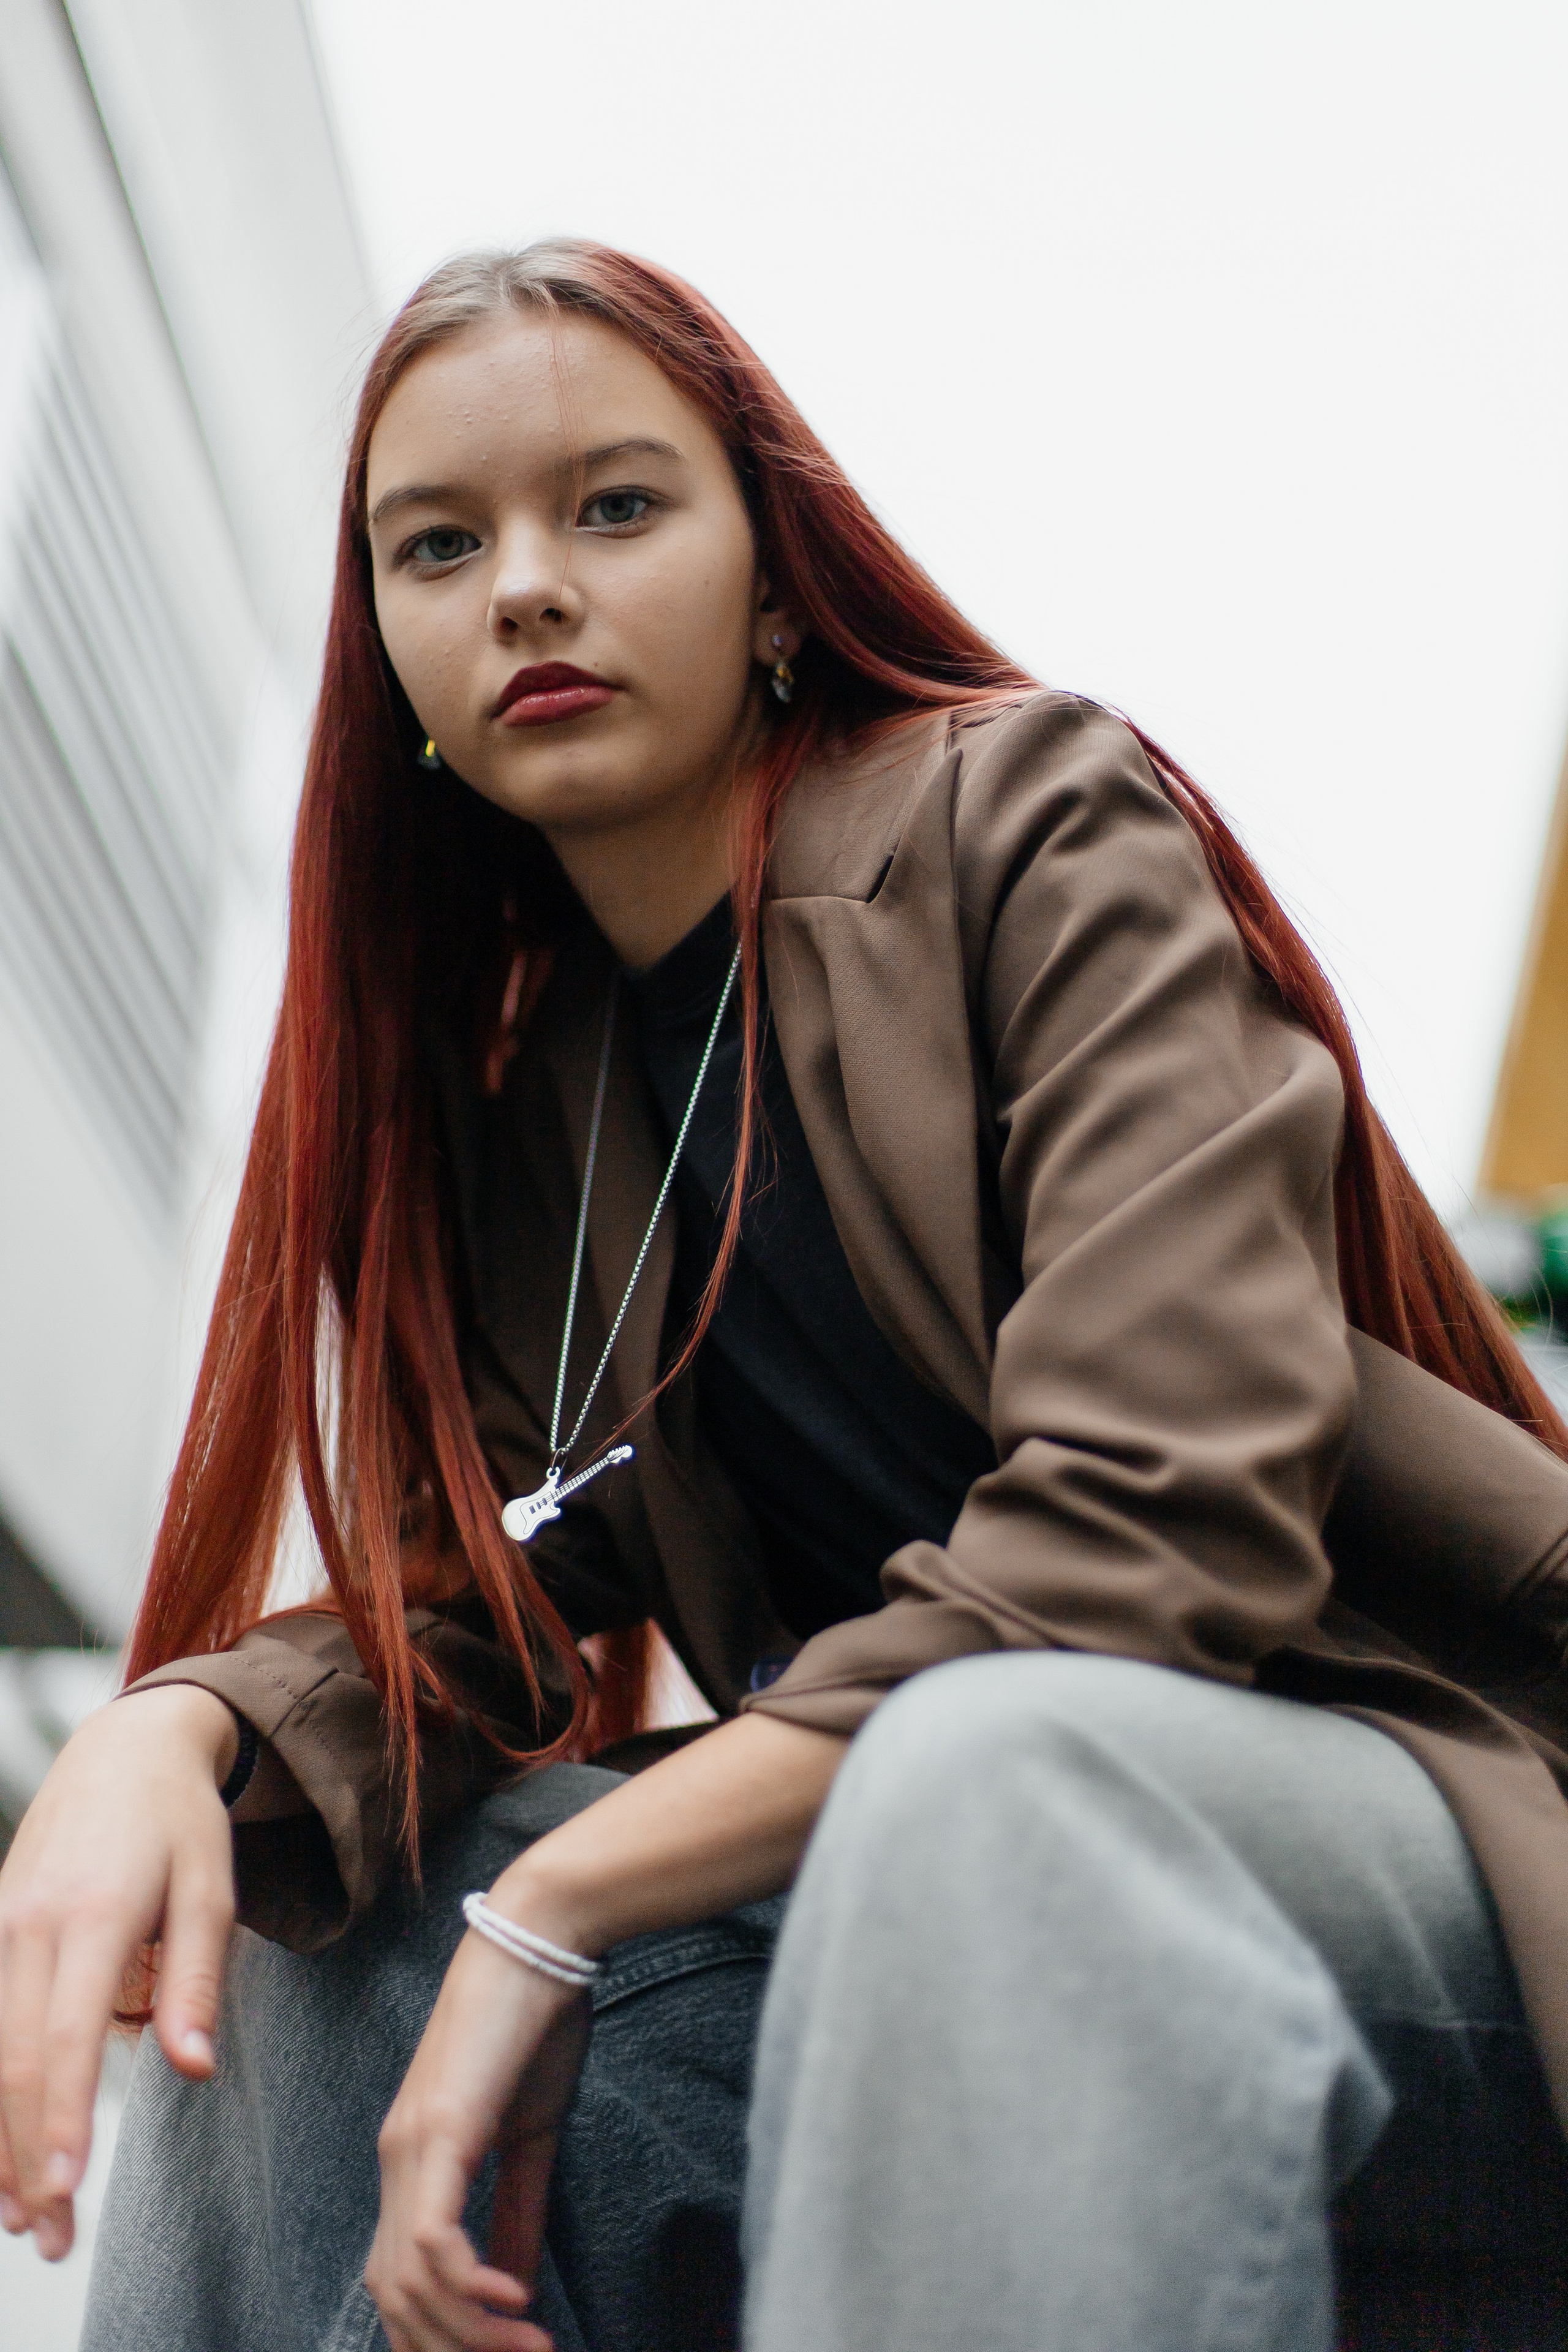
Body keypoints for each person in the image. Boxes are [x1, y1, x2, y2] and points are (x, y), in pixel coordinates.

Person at [2, 241, 1568, 2352]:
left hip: (1401, 1841)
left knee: (985, 1781)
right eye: (437, 545)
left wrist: (560, 1903)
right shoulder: (530, 1095)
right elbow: (475, 1603)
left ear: (771, 584)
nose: (525, 588)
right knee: (322, 1940)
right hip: (922, 1912)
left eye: (614, 506)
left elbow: (1157, 1526)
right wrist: (174, 1733)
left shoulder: (1030, 815)